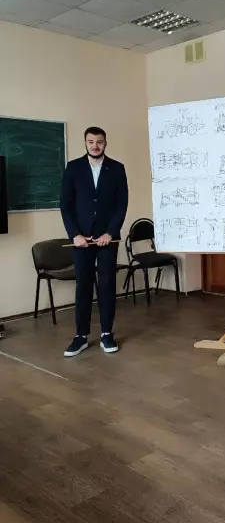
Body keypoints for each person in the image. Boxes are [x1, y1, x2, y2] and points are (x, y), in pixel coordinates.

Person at [60, 127, 128, 357]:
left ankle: (107, 333)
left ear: (105, 143)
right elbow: (65, 205)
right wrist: (74, 234)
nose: (95, 146)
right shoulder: (73, 168)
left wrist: (111, 232)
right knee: (83, 286)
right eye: (91, 142)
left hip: (107, 239)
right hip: (81, 240)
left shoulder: (117, 168)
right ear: (85, 143)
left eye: (99, 141)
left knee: (107, 285)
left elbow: (121, 204)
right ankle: (80, 336)